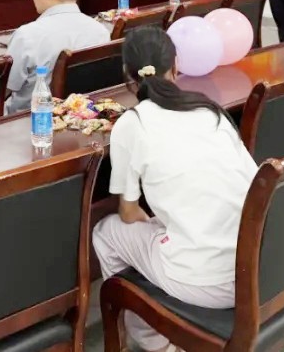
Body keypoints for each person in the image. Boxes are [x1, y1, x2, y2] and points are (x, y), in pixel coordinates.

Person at [92, 26, 258, 352]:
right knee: (165, 227)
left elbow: (128, 213)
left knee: (105, 233)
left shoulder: (133, 122)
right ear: (177, 66)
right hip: (256, 270)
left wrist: (154, 225)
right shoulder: (210, 111)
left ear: (127, 74)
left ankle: (157, 343)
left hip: (204, 282)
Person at [3, 0, 109, 114]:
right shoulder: (101, 31)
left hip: (29, 121)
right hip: (83, 117)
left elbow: (3, 90)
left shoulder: (27, 36)